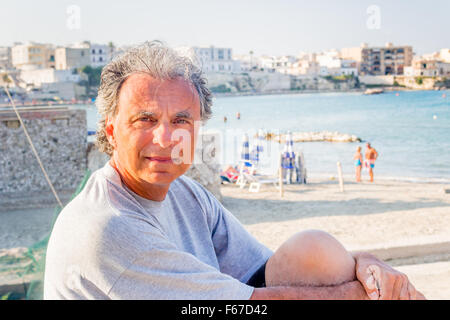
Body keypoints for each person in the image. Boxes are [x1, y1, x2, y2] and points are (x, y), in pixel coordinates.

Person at [44, 41, 423, 300]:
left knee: (314, 250)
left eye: (181, 120)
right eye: (145, 119)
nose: (164, 138)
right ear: (110, 130)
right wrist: (369, 292)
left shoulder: (188, 196)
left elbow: (272, 271)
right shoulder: (106, 227)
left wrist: (365, 262)